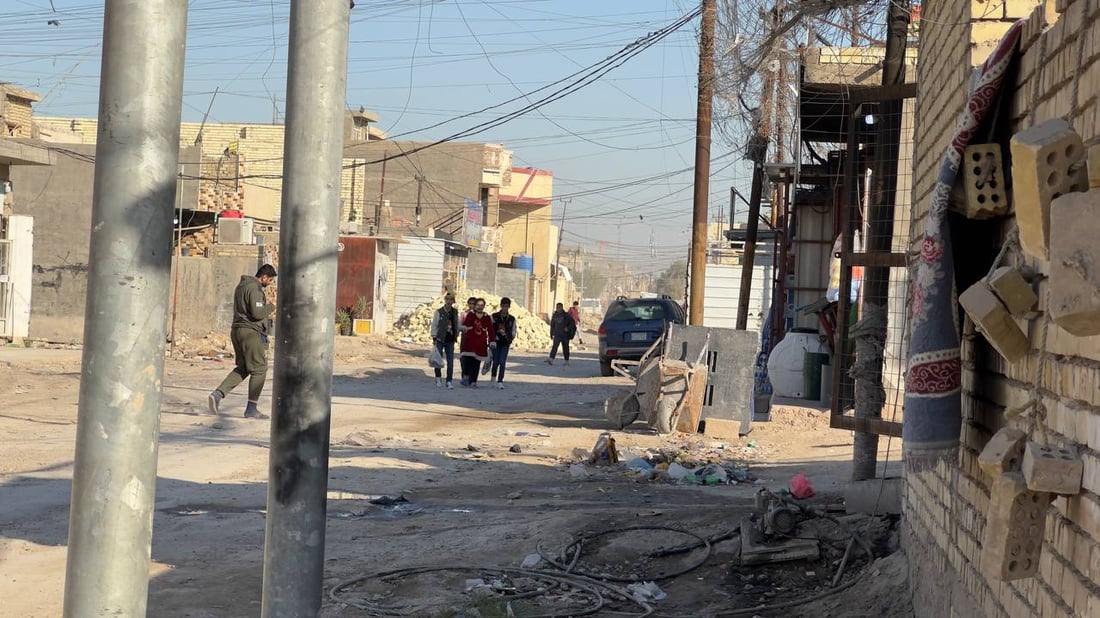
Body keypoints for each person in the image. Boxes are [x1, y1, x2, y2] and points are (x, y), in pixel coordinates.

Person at [207, 264, 277, 419]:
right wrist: (270, 307)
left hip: (237, 331)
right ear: (264, 277)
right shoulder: (254, 288)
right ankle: (251, 409)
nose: (269, 283)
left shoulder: (242, 286)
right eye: (270, 280)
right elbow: (258, 313)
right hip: (250, 333)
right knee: (260, 369)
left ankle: (217, 394)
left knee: (244, 367)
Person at [459, 298, 495, 388]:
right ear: (475, 306)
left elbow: (490, 330)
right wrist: (464, 328)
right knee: (467, 360)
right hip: (470, 341)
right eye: (478, 305)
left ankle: (473, 381)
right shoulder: (471, 314)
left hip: (480, 342)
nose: (480, 307)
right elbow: (466, 324)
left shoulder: (486, 317)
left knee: (476, 363)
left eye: (482, 305)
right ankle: (466, 376)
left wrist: (492, 341)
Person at [430, 292, 459, 389]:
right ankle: (438, 379)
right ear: (445, 300)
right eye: (447, 299)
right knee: (438, 360)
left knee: (450, 361)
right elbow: (435, 324)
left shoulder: (455, 312)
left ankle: (449, 381)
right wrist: (434, 336)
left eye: (451, 299)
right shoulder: (439, 312)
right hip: (440, 338)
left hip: (450, 339)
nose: (449, 301)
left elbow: (456, 323)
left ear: (453, 301)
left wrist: (457, 334)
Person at [490, 297, 517, 389]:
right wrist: (491, 340)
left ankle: (500, 380)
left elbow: (514, 331)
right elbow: (490, 329)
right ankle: (493, 378)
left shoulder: (512, 319)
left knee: (502, 362)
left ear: (509, 307)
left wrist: (510, 338)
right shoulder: (494, 316)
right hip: (496, 343)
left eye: (507, 306)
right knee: (496, 361)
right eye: (503, 306)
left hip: (505, 343)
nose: (505, 308)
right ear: (501, 306)